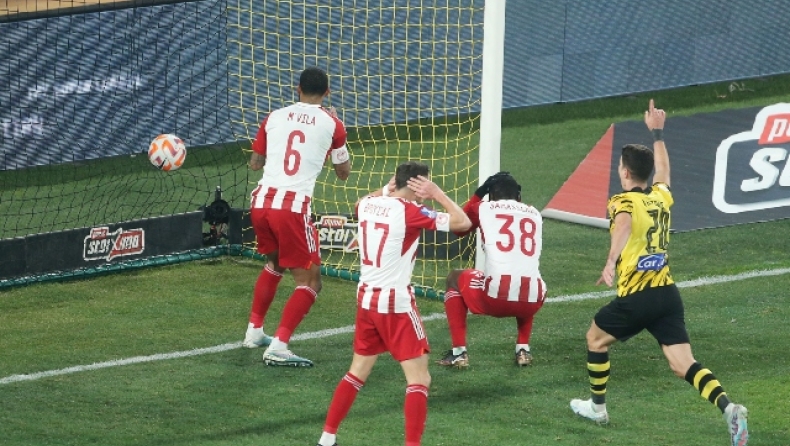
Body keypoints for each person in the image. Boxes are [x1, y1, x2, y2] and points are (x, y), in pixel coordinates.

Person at [569, 100, 749, 446]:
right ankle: (729, 408)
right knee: (683, 363)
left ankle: (597, 408)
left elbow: (623, 225)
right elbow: (664, 171)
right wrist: (657, 133)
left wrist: (610, 260)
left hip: (637, 296)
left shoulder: (621, 201)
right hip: (667, 294)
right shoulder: (660, 197)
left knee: (595, 338)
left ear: (625, 172)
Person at [315, 161, 472, 446]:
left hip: (366, 299)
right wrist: (437, 193)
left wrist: (385, 189)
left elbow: (359, 203)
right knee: (419, 379)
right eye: (424, 184)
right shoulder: (411, 212)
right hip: (396, 304)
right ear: (416, 185)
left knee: (357, 371)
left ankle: (327, 438)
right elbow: (463, 222)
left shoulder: (369, 204)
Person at [242, 66, 351, 367]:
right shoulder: (333, 123)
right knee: (311, 281)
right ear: (327, 92)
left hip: (261, 203)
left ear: (297, 88)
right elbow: (343, 173)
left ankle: (254, 331)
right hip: (291, 209)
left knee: (276, 262)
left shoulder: (274, 117)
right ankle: (279, 346)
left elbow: (255, 163)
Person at [437, 172, 547, 368]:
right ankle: (523, 349)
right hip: (533, 300)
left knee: (454, 277)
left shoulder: (484, 207)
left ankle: (459, 352)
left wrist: (478, 194)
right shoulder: (535, 213)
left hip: (495, 299)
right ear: (519, 196)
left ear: (491, 195)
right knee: (525, 277)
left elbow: (459, 228)